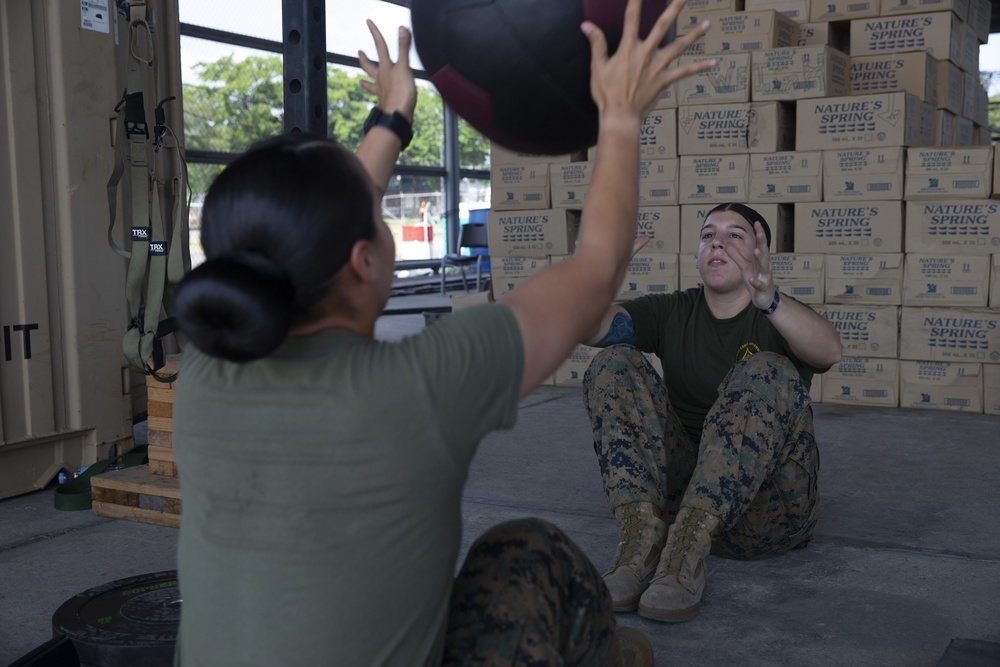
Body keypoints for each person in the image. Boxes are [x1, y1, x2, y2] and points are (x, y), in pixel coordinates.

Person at [169, 2, 714, 665]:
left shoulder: (203, 371)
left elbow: (323, 225)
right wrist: (622, 114)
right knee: (527, 554)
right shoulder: (416, 389)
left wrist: (394, 116)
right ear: (362, 260)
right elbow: (598, 270)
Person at [581, 202, 843, 623]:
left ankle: (684, 556)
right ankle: (640, 547)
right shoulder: (673, 310)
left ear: (759, 252)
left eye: (734, 235)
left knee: (767, 369)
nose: (716, 242)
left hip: (763, 515)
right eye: (707, 235)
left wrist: (770, 300)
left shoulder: (779, 314)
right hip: (679, 504)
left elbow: (830, 351)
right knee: (613, 364)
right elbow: (589, 329)